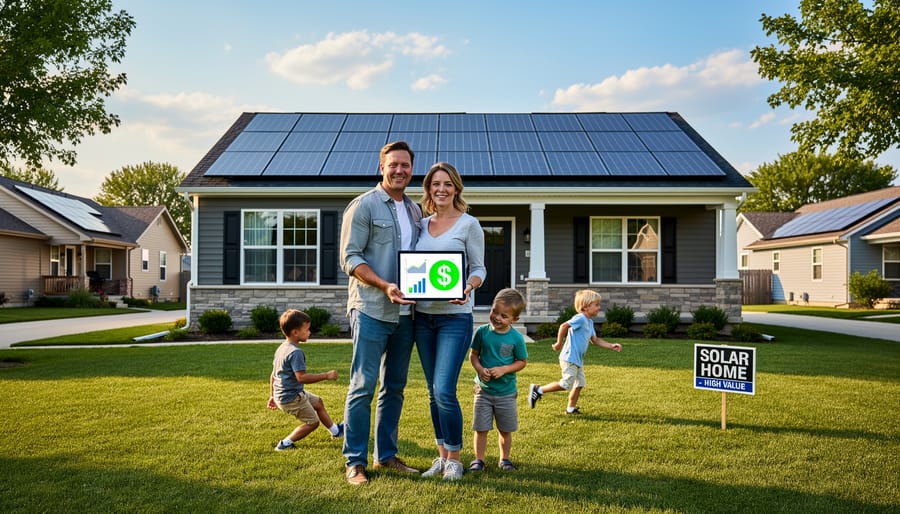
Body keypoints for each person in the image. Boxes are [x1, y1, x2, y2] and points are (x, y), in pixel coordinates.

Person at [339, 140, 422, 485]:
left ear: (411, 169)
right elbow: (351, 258)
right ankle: (355, 461)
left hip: (407, 315)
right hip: (372, 309)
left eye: (405, 165)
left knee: (395, 388)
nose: (399, 170)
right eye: (393, 165)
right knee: (363, 386)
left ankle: (385, 456)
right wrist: (385, 285)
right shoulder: (364, 206)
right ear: (381, 167)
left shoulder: (416, 211)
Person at [414, 162, 486, 481]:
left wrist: (468, 286)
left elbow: (479, 269)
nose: (441, 189)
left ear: (456, 188)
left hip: (455, 318)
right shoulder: (421, 224)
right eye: (435, 184)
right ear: (428, 189)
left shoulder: (468, 224)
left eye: (447, 184)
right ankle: (441, 457)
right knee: (432, 392)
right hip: (422, 317)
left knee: (444, 388)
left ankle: (455, 458)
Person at [529, 290, 622, 414]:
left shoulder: (589, 322)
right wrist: (558, 343)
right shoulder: (580, 318)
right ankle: (538, 389)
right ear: (585, 307)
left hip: (577, 359)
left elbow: (595, 340)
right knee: (566, 384)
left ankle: (570, 409)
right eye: (596, 305)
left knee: (579, 384)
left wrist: (611, 346)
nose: (599, 307)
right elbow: (563, 326)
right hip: (569, 357)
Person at [468, 288, 528, 472]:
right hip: (483, 391)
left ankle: (505, 459)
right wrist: (479, 369)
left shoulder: (516, 338)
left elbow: (521, 362)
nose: (497, 317)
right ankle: (479, 460)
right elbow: (474, 355)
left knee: (505, 429)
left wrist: (504, 369)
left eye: (504, 315)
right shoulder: (482, 332)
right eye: (494, 311)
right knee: (481, 428)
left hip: (506, 393)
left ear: (514, 320)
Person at [268, 309, 344, 451]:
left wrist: (272, 395)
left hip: (288, 394)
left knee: (318, 403)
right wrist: (326, 375)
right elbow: (301, 377)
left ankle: (336, 431)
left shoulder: (282, 348)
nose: (309, 332)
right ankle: (285, 444)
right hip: (291, 398)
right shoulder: (295, 352)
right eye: (307, 329)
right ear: (295, 332)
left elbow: (273, 374)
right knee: (312, 423)